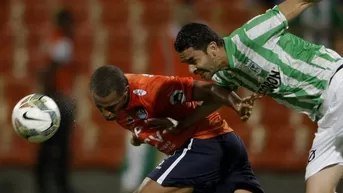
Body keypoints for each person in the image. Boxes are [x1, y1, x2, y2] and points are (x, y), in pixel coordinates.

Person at [162, 0, 343, 192]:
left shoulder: (250, 35)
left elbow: (299, 2)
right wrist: (182, 125)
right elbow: (215, 99)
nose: (192, 69)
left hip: (336, 84)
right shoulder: (225, 74)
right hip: (325, 116)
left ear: (213, 48)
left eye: (193, 60)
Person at [90, 65, 263, 193]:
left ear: (126, 92)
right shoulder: (118, 98)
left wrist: (236, 103)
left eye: (111, 107)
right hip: (226, 145)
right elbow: (139, 121)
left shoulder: (154, 89)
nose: (107, 114)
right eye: (100, 107)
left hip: (204, 143)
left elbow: (211, 89)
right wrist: (138, 136)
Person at [35, 8, 76, 193]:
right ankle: (59, 184)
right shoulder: (62, 43)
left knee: (47, 142)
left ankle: (43, 184)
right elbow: (50, 70)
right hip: (58, 98)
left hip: (51, 96)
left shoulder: (51, 40)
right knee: (59, 145)